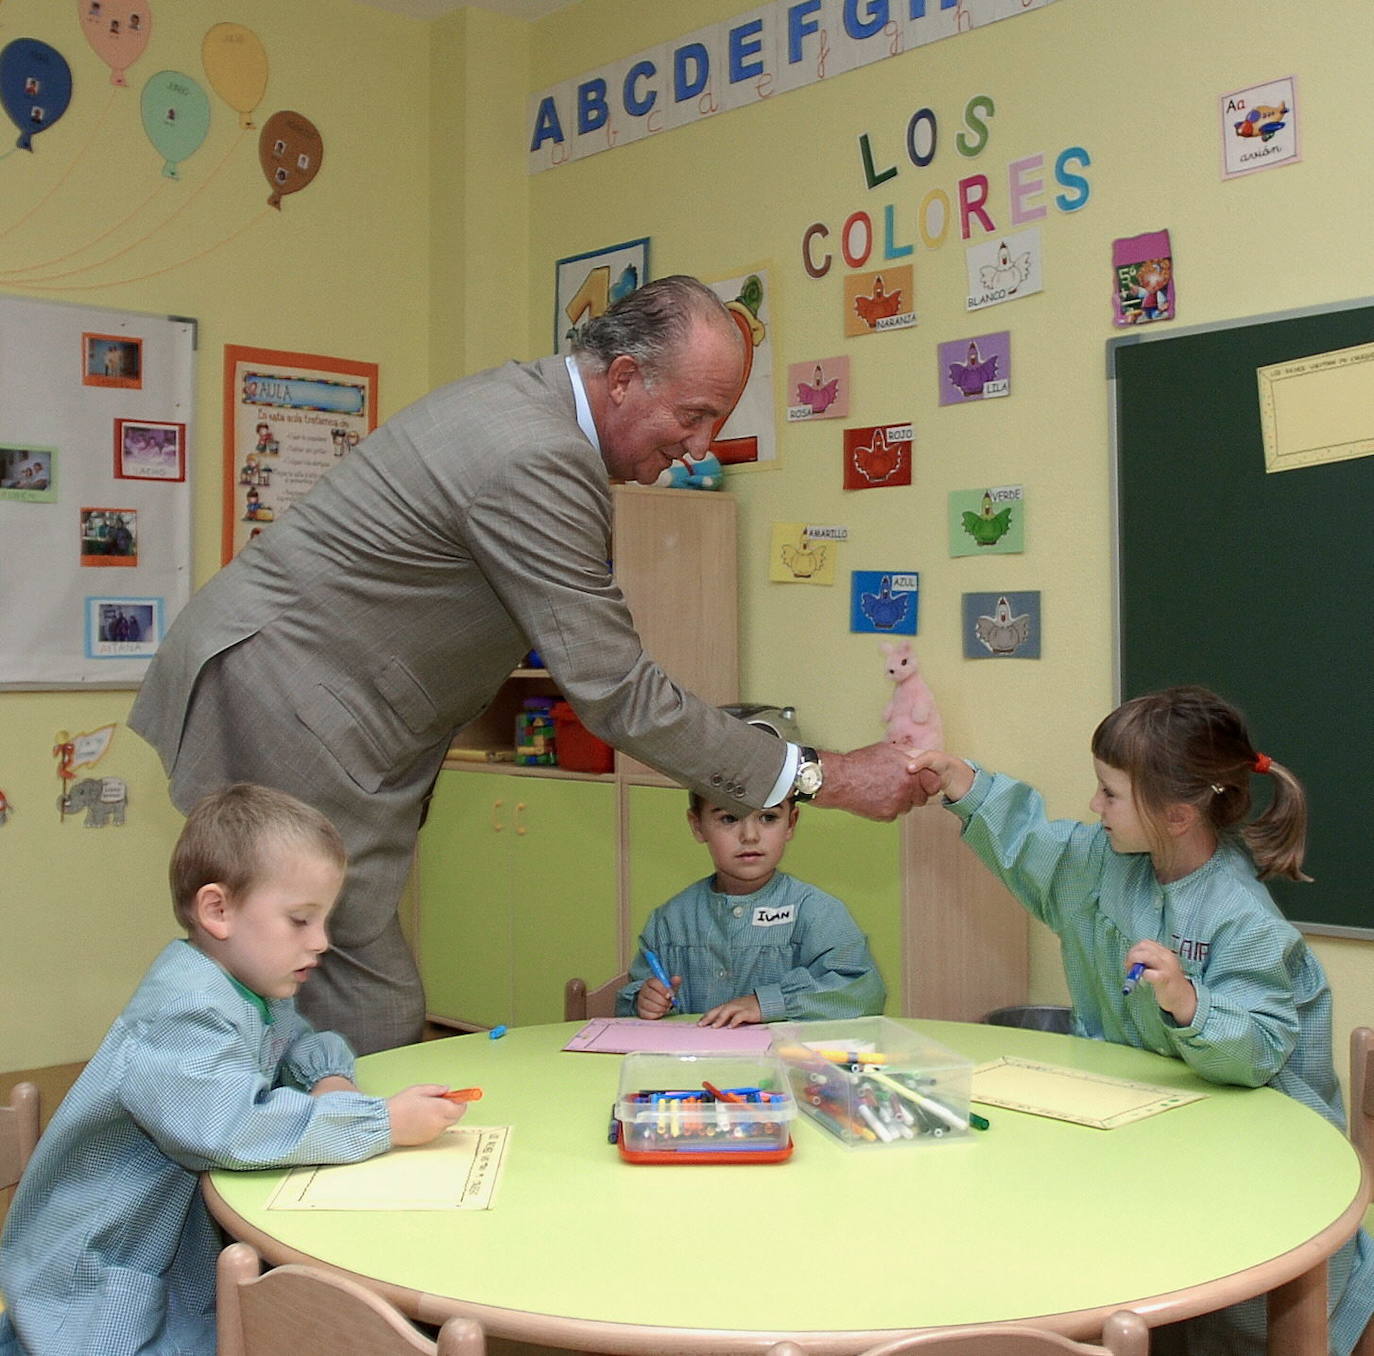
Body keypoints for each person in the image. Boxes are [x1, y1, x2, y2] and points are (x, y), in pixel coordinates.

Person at [129, 275, 930, 1055]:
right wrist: (823, 776)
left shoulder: (529, 410)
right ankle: (273, 1167)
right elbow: (617, 693)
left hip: (299, 696)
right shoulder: (537, 455)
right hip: (287, 704)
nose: (699, 448)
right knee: (354, 1008)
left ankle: (269, 1150)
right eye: (692, 417)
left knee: (298, 998)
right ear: (622, 378)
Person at [910, 685, 1374, 1355]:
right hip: (1152, 1138)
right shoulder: (1109, 860)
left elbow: (1261, 1049)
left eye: (1110, 794)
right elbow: (1035, 848)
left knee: (1245, 1310)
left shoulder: (1239, 916)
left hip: (1259, 1166)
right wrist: (968, 789)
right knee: (1129, 1271)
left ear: (1178, 814)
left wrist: (1190, 1003)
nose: (1094, 805)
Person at [0, 784, 465, 1356]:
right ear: (218, 910)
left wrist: (329, 1079)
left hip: (163, 1247)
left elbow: (292, 1040)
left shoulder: (246, 986)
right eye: (300, 920)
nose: (321, 942)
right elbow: (232, 1127)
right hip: (96, 1277)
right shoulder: (186, 1009)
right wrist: (380, 1123)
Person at [617, 790, 885, 1027]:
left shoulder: (817, 912)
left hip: (785, 1072)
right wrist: (644, 1001)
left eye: (768, 818)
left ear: (790, 823)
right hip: (694, 1075)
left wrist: (766, 1003)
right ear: (697, 825)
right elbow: (633, 1001)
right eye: (729, 818)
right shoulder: (670, 920)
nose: (750, 836)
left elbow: (862, 991)